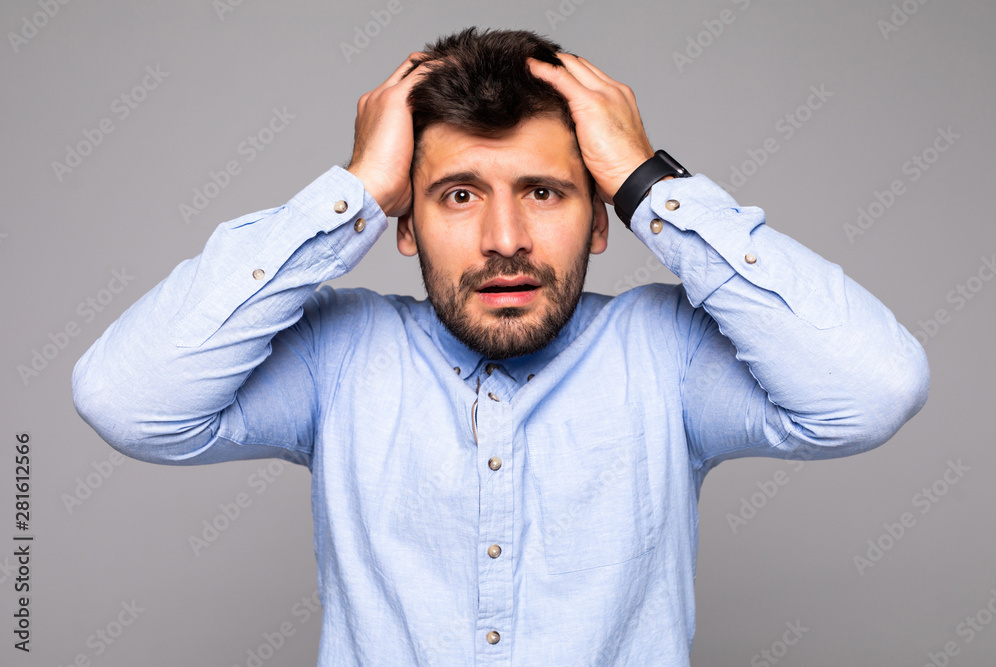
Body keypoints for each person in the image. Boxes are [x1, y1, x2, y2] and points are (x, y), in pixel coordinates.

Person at [72, 27, 929, 666]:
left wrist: (648, 180)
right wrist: (354, 191)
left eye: (545, 191)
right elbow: (128, 399)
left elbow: (873, 389)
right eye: (456, 196)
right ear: (402, 226)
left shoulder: (663, 354)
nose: (504, 238)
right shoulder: (340, 357)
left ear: (599, 219)